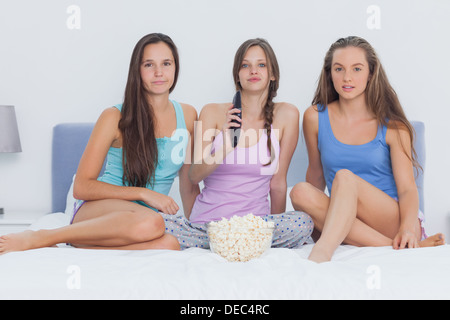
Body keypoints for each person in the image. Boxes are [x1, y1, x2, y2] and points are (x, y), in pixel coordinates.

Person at [0, 33, 199, 254]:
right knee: (153, 223)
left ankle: (84, 242)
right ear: (137, 70)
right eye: (149, 64)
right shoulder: (114, 117)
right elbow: (82, 187)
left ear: (175, 67)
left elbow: (188, 186)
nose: (159, 72)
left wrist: (200, 224)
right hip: (100, 211)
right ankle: (44, 236)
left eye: (166, 63)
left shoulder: (189, 116)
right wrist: (143, 193)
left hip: (145, 222)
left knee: (169, 244)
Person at [289, 36, 445, 263]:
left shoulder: (393, 126)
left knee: (344, 177)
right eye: (339, 69)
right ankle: (402, 248)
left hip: (391, 219)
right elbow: (316, 174)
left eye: (357, 69)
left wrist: (408, 229)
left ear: (371, 73)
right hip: (347, 219)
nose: (347, 77)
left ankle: (322, 252)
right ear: (329, 73)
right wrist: (315, 214)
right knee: (299, 191)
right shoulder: (314, 117)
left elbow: (407, 190)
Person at [161, 38, 313, 249]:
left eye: (261, 65)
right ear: (237, 75)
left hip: (255, 226)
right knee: (158, 224)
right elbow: (194, 176)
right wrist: (226, 145)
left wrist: (274, 233)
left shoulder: (287, 115)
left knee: (303, 223)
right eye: (245, 65)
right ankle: (223, 241)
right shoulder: (212, 112)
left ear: (272, 74)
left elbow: (278, 184)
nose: (253, 71)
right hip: (209, 225)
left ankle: (236, 243)